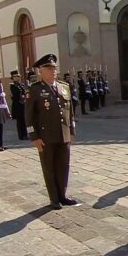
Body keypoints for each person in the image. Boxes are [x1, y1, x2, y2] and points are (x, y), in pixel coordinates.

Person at [25, 53, 80, 210]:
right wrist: (34, 136)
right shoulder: (34, 90)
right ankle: (54, 198)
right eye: (48, 68)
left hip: (64, 134)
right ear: (40, 71)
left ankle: (62, 195)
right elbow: (29, 116)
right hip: (46, 135)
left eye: (54, 68)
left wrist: (72, 129)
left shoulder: (64, 86)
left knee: (63, 165)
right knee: (49, 167)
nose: (52, 70)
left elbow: (70, 111)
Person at [10, 70, 28, 140]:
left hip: (23, 104)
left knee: (24, 120)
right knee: (20, 121)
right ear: (13, 78)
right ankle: (21, 135)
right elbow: (16, 95)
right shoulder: (13, 86)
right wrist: (22, 97)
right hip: (18, 105)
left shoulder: (22, 85)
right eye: (16, 76)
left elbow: (25, 92)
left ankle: (26, 134)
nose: (18, 78)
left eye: (18, 76)